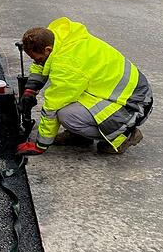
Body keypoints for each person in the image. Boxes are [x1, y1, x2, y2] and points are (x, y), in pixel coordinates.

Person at [15, 17, 153, 156]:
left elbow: (52, 106)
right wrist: (30, 90)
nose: (36, 63)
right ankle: (80, 136)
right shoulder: (58, 37)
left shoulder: (68, 64)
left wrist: (41, 145)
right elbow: (42, 64)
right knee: (70, 97)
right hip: (124, 91)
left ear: (47, 49)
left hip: (132, 105)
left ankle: (125, 135)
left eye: (37, 59)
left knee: (65, 114)